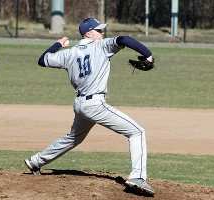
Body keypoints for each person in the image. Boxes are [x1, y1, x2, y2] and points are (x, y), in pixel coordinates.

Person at [24, 18, 156, 195]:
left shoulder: (68, 54)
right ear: (88, 33)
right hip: (95, 105)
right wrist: (148, 54)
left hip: (80, 105)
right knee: (137, 132)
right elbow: (124, 39)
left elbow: (43, 60)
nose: (102, 33)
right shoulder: (101, 46)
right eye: (99, 31)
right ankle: (137, 177)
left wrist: (58, 44)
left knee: (73, 138)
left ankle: (36, 161)